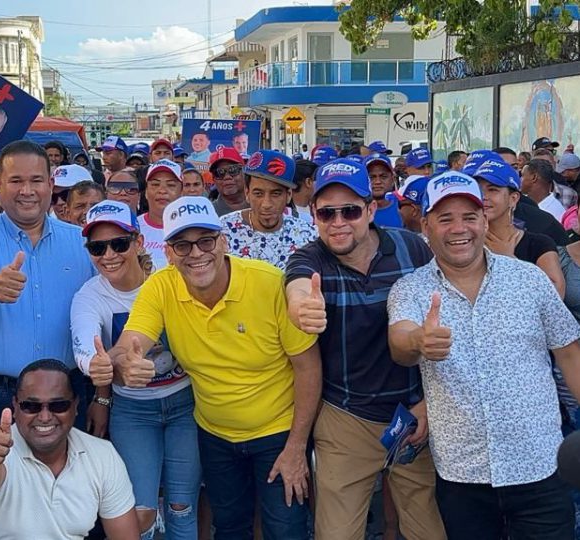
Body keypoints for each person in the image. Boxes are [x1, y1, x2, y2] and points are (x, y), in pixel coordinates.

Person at [109, 196, 321, 539]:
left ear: (223, 242)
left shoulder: (268, 284)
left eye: (205, 241)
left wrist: (297, 447)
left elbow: (308, 367)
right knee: (230, 529)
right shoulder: (161, 287)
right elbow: (129, 344)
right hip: (215, 435)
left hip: (278, 433)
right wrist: (124, 362)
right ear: (169, 252)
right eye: (182, 244)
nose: (195, 254)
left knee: (286, 530)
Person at [387, 171, 580, 540]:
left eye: (469, 216)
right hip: (463, 476)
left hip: (539, 465)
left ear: (485, 219)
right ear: (425, 226)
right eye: (445, 219)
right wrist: (418, 341)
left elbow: (569, 354)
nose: (459, 228)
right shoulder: (410, 290)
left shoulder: (529, 279)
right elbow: (400, 342)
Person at [284, 158, 444, 540]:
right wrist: (302, 307)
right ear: (314, 216)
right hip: (346, 418)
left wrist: (427, 404)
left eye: (350, 211)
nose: (338, 222)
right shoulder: (309, 259)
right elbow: (298, 288)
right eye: (326, 213)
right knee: (335, 534)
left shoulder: (411, 249)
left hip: (413, 412)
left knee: (430, 532)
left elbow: (440, 320)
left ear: (371, 210)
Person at [0, 140, 95, 436]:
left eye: (36, 180)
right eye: (16, 181)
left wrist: (101, 397)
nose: (27, 191)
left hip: (67, 393)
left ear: (51, 184)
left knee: (66, 482)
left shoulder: (82, 241)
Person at [75, 200, 200, 539]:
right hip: (133, 411)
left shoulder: (168, 278)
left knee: (182, 506)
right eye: (98, 247)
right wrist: (97, 365)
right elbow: (86, 344)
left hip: (184, 404)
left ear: (139, 241)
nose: (109, 254)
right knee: (140, 513)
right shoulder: (89, 295)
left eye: (120, 243)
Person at [0, 360, 139, 540]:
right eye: (31, 406)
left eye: (58, 405)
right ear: (15, 406)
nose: (44, 417)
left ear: (76, 406)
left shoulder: (103, 455)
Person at [473, 158, 565, 297]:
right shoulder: (466, 243)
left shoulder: (539, 244)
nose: (484, 196)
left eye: (493, 190)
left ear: (514, 198)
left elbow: (555, 295)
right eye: (478, 190)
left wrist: (509, 260)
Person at [221, 150, 316, 270]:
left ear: (289, 195)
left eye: (275, 194)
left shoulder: (308, 236)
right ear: (247, 193)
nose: (266, 204)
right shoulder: (222, 232)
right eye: (258, 194)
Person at [139, 159, 183, 271]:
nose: (162, 190)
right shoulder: (134, 228)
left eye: (171, 185)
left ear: (181, 192)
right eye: (155, 184)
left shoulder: (191, 228)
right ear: (146, 192)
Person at [365, 153, 403, 227]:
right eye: (371, 177)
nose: (377, 182)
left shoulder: (402, 207)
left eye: (383, 176)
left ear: (393, 180)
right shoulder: (356, 212)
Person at [208, 147, 249, 216]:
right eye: (219, 173)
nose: (227, 177)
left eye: (233, 170)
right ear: (214, 179)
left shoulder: (261, 206)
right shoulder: (209, 213)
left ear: (244, 173)